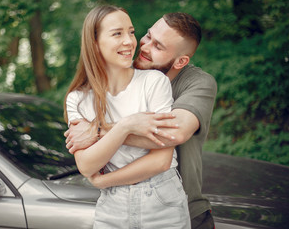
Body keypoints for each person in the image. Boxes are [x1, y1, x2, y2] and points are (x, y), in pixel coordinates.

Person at [65, 12, 217, 229]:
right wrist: (126, 127)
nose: (143, 47)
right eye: (147, 36)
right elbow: (86, 161)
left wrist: (99, 132)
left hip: (183, 206)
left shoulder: (194, 82)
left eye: (158, 46)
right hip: (116, 206)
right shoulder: (108, 79)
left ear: (181, 61)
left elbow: (172, 135)